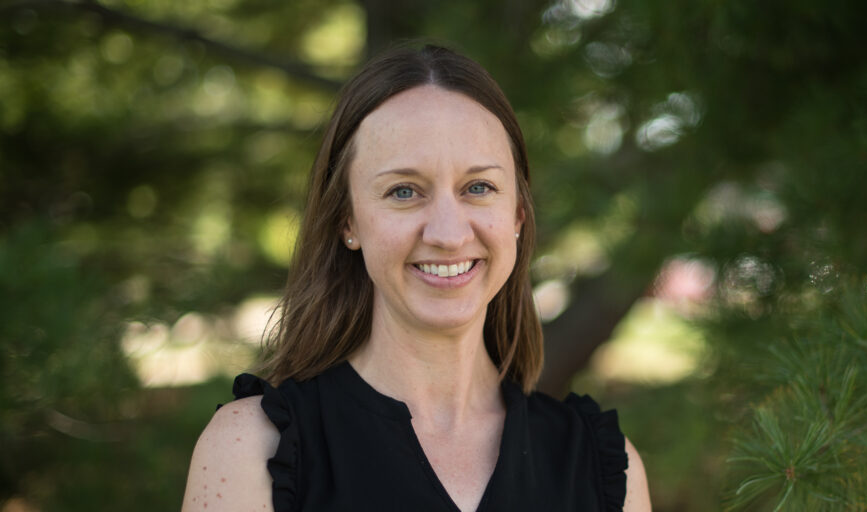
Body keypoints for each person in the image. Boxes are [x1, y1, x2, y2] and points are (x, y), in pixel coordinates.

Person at [181, 44, 650, 512]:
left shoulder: (603, 467)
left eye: (478, 187)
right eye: (403, 191)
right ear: (348, 222)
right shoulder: (251, 454)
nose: (448, 234)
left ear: (518, 216)